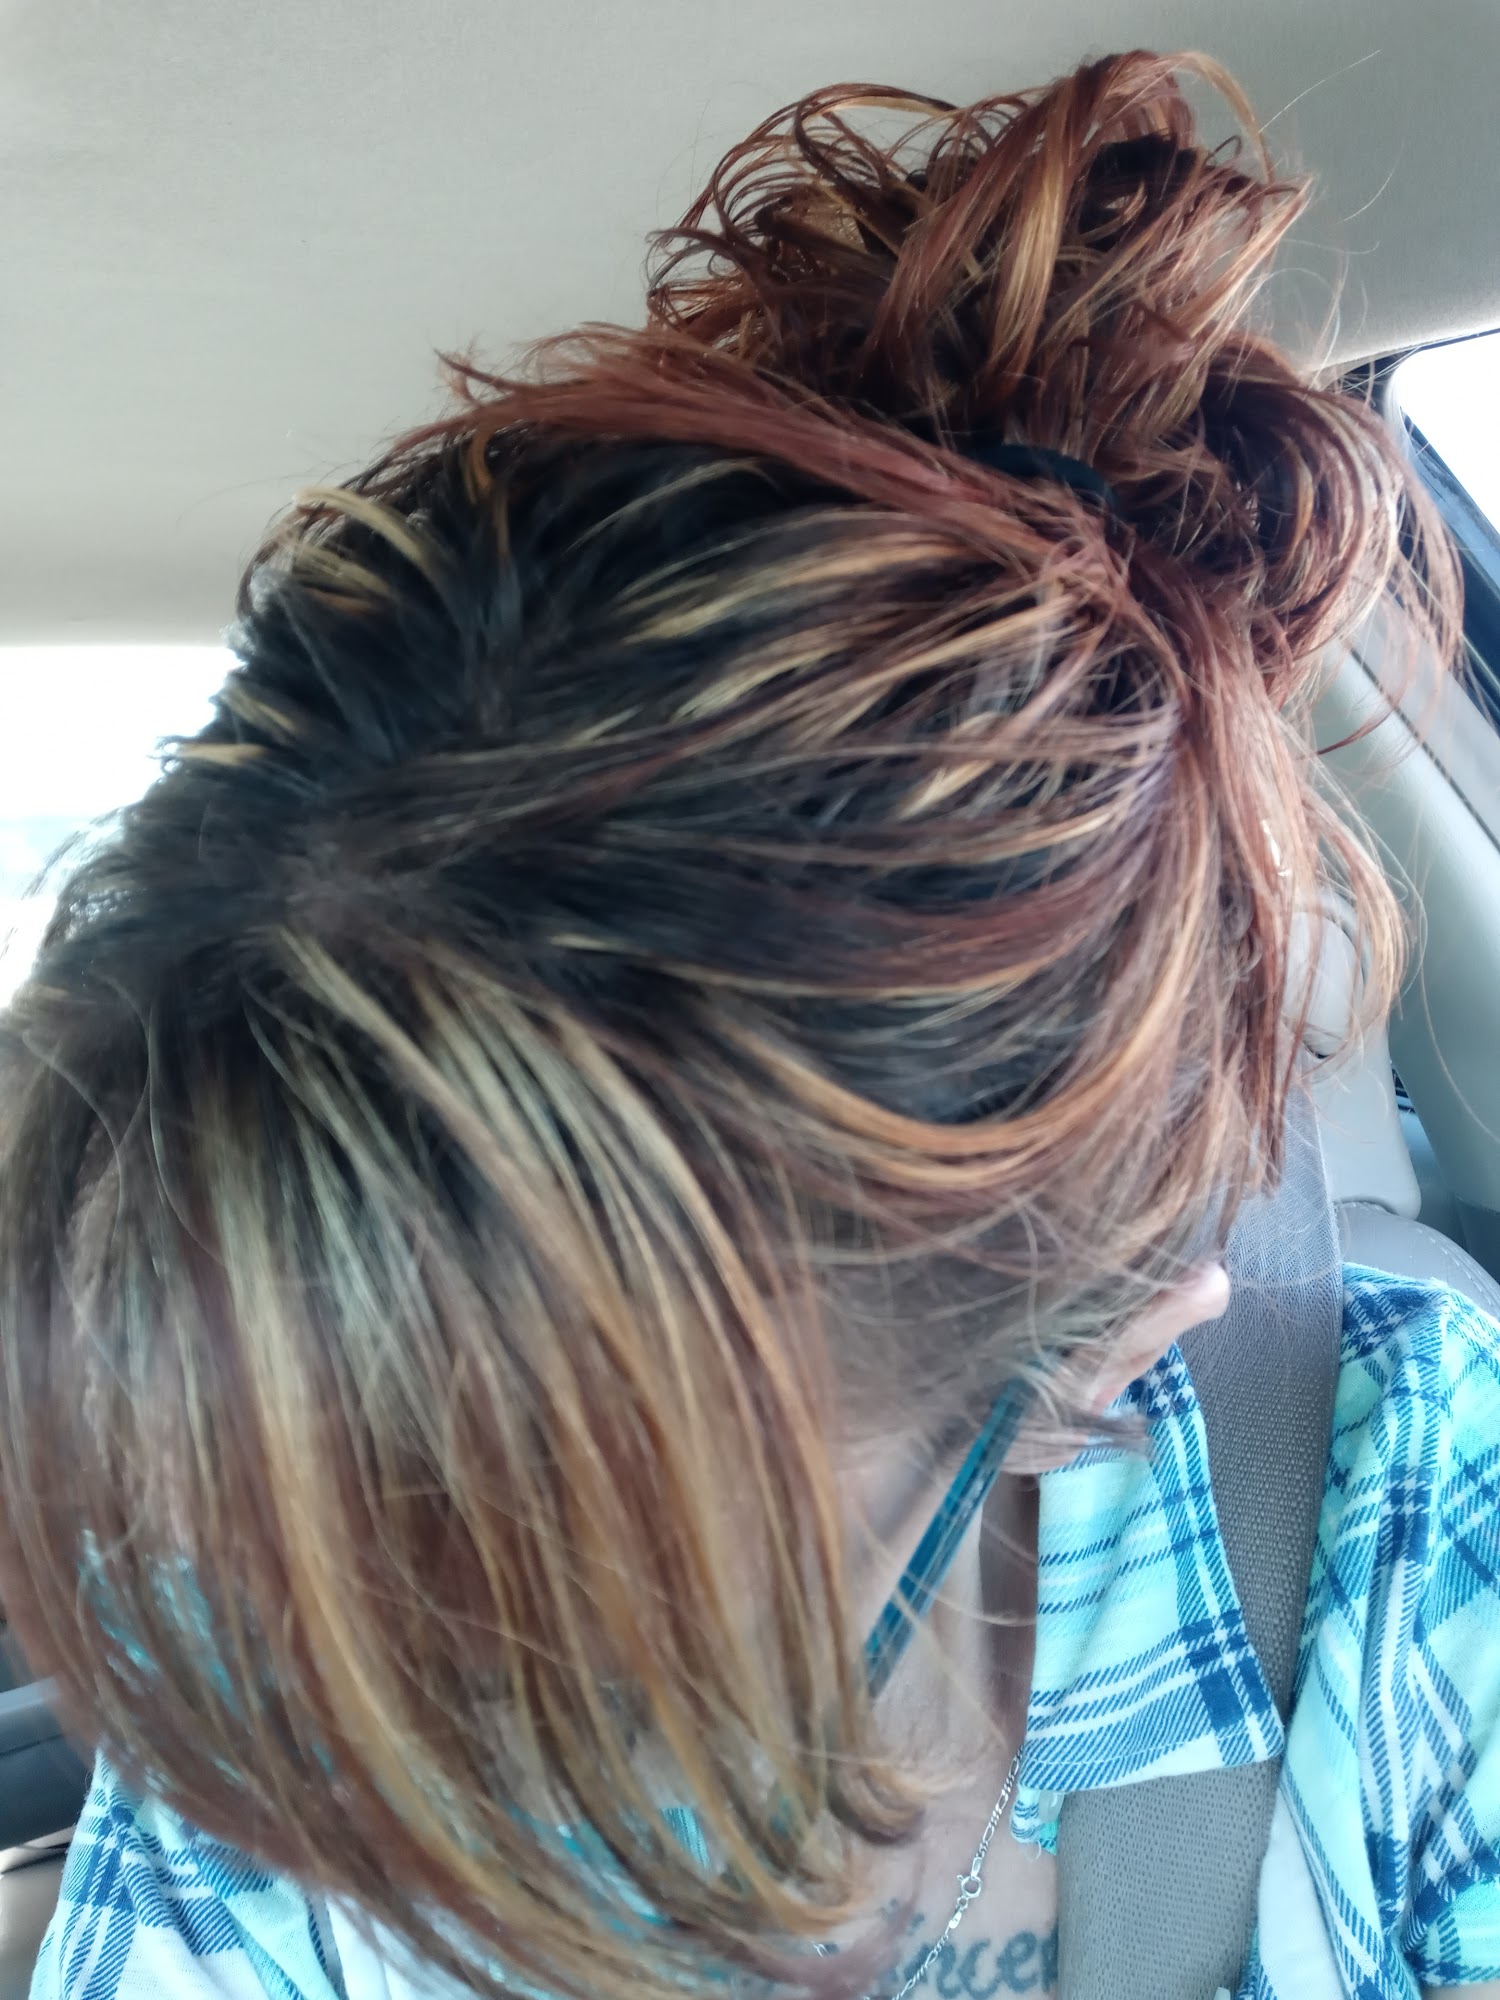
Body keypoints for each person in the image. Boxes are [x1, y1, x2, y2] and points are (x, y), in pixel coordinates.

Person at [0, 44, 1496, 2000]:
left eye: (565, 1636)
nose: (392, 1766)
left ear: (1108, 1338)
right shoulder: (271, 1662)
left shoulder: (1412, 1544)